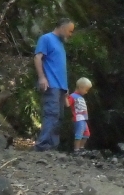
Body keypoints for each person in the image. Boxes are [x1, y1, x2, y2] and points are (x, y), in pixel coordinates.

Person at [33, 18, 75, 151]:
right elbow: (37, 57)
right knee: (51, 114)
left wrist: (66, 88)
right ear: (62, 27)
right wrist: (42, 78)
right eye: (70, 31)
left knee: (59, 117)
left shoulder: (61, 44)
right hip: (51, 84)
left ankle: (52, 148)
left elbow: (60, 67)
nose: (70, 34)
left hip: (61, 87)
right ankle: (42, 146)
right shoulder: (46, 38)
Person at [68, 77, 92, 155]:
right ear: (81, 87)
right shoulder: (72, 96)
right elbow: (68, 104)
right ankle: (76, 150)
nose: (86, 92)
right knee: (79, 134)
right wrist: (65, 96)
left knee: (87, 134)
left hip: (83, 119)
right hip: (78, 119)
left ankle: (81, 148)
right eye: (86, 90)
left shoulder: (80, 97)